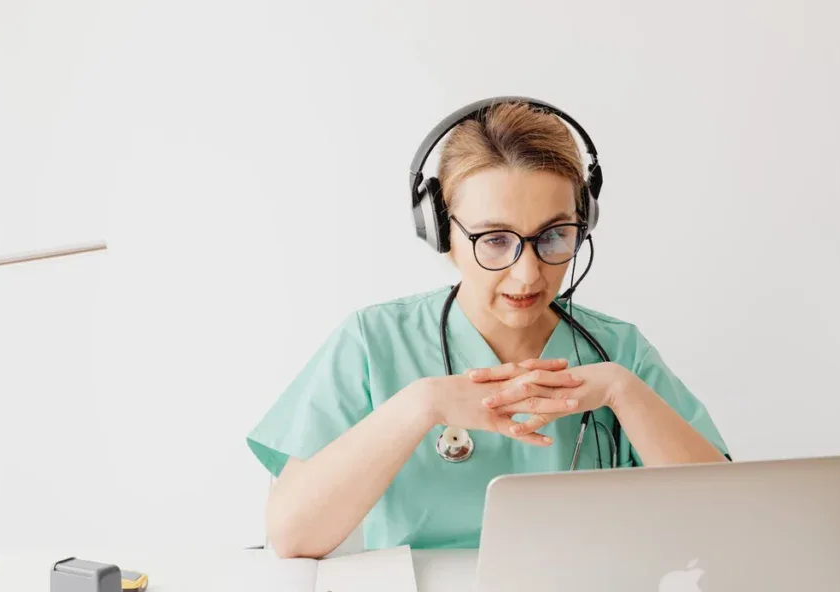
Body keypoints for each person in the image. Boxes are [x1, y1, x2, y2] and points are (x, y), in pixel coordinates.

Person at [247, 97, 730, 559]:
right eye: (495, 240)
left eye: (555, 236)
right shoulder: (373, 342)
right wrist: (420, 406)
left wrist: (625, 391)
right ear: (441, 232)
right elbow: (292, 537)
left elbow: (726, 521)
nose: (528, 274)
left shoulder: (618, 349)